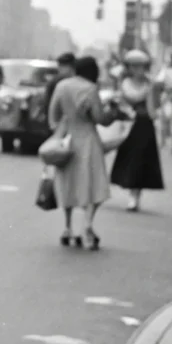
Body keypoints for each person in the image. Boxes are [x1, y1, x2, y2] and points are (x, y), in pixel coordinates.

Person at [48, 55, 118, 250]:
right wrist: (112, 113)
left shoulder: (61, 86)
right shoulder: (90, 88)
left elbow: (52, 115)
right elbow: (99, 118)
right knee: (95, 184)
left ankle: (67, 228)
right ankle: (87, 224)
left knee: (67, 183)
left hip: (67, 141)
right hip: (88, 141)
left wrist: (60, 131)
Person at [110, 49, 164, 212]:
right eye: (134, 67)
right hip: (128, 125)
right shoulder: (124, 84)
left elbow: (154, 107)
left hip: (144, 125)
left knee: (141, 161)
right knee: (129, 159)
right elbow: (121, 100)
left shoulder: (150, 85)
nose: (137, 70)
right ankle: (131, 193)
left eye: (140, 66)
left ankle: (135, 196)